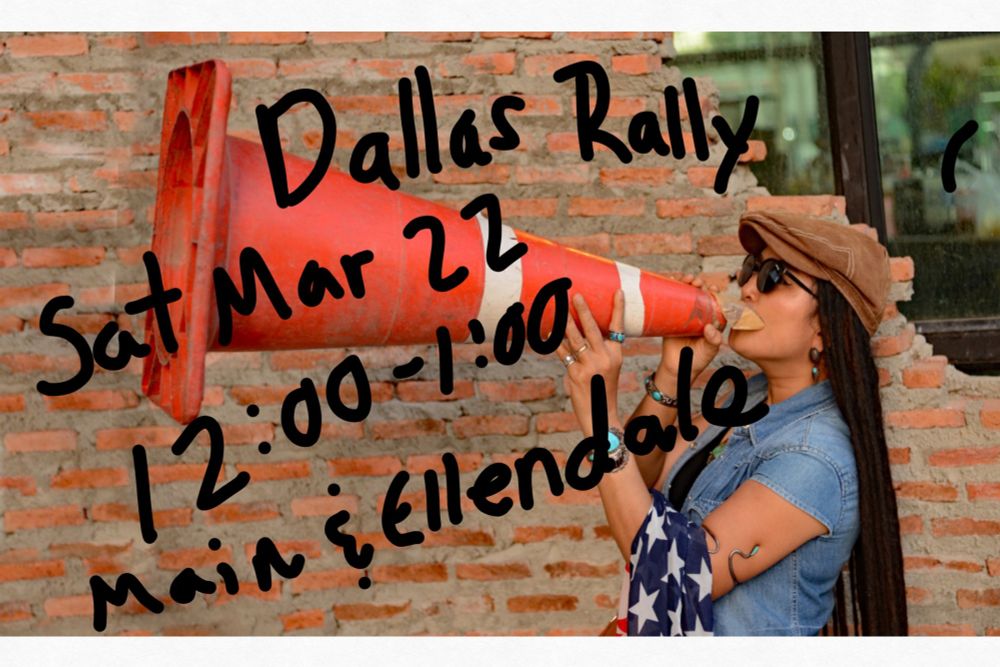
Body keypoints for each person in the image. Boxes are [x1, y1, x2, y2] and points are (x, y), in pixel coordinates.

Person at [555, 210, 908, 636]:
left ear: (825, 330)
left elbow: (672, 576)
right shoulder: (753, 399)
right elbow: (644, 476)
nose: (746, 288)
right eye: (751, 269)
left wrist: (599, 418)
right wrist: (674, 374)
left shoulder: (813, 457)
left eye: (773, 275)